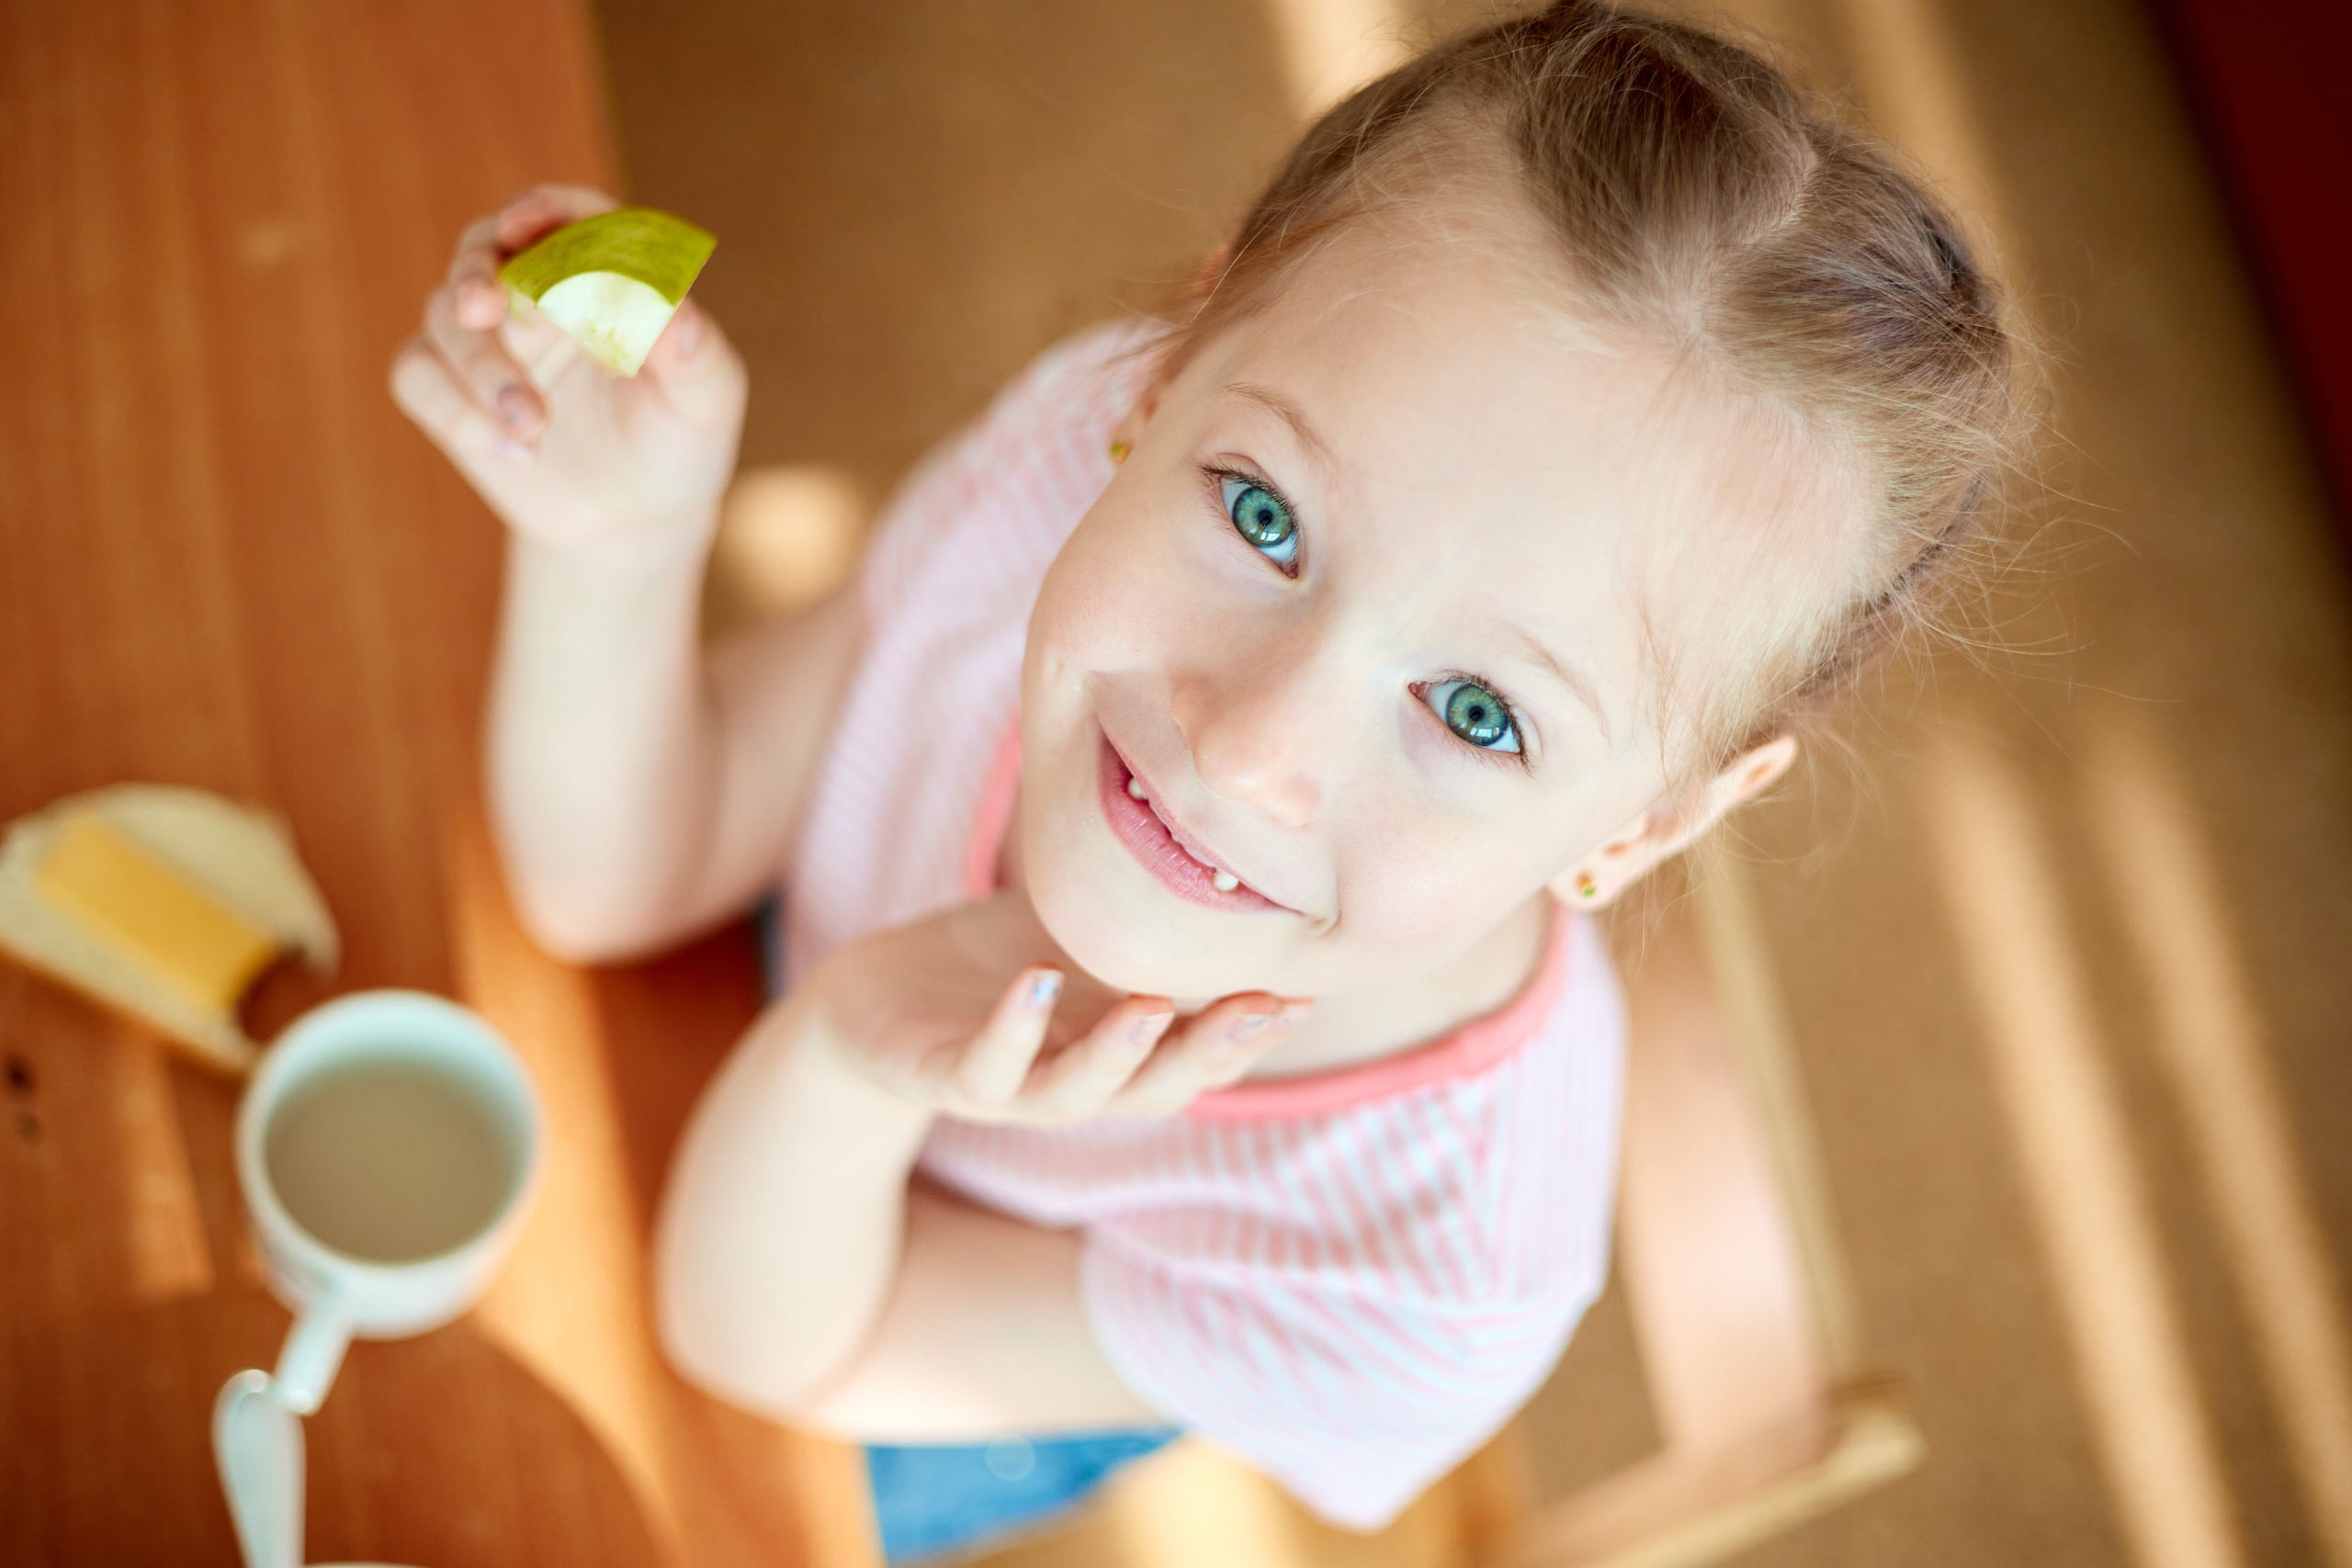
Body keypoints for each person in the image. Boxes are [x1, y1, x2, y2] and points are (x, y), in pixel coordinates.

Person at [390, 0, 2022, 1549]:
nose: (1247, 749)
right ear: (1169, 371)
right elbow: (617, 877)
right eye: (1262, 517)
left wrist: (862, 1047)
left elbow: (752, 1351)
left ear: (1653, 824)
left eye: (1477, 712)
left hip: (847, 1302)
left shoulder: (1424, 1278)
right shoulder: (1072, 465)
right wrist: (618, 545)